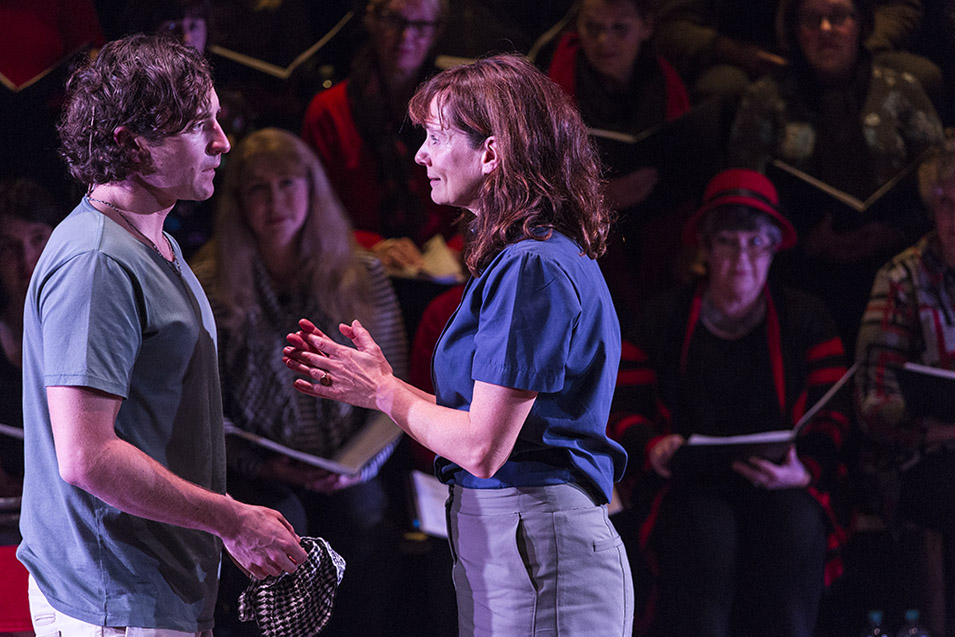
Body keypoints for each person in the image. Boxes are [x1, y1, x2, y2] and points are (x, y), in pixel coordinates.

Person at [285, 54, 633, 635]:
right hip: (510, 540)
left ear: (491, 154)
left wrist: (384, 391)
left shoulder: (533, 266)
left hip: (540, 545)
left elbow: (482, 447)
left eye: (437, 137)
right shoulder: (521, 260)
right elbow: (480, 430)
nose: (420, 155)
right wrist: (378, 387)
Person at [16, 34, 306, 636]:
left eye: (218, 120)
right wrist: (230, 520)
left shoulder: (156, 241)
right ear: (130, 143)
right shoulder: (96, 261)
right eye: (199, 126)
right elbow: (87, 457)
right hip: (113, 600)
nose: (223, 142)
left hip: (155, 589)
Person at [609, 168, 851, 636]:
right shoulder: (663, 317)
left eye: (756, 243)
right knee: (703, 540)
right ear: (705, 247)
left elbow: (835, 411)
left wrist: (805, 470)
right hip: (690, 484)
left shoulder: (806, 317)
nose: (743, 258)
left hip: (781, 479)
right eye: (728, 242)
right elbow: (621, 407)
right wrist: (653, 445)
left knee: (796, 529)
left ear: (774, 248)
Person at [190, 127, 408, 636]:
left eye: (288, 183)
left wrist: (357, 468)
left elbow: (394, 393)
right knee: (281, 525)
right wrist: (262, 464)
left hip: (347, 460)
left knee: (366, 514)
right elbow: (204, 410)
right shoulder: (207, 283)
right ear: (238, 202)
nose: (275, 202)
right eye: (258, 188)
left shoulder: (363, 272)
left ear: (313, 188)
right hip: (256, 466)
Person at [728, 0, 944, 347]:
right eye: (811, 20)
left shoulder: (901, 90)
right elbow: (743, 199)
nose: (825, 30)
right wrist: (806, 241)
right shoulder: (766, 98)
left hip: (893, 262)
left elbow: (940, 186)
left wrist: (893, 232)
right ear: (794, 30)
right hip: (798, 268)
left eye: (838, 16)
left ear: (861, 24)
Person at [855, 133, 955, 635]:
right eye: (947, 204)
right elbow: (872, 403)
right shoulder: (902, 279)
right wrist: (944, 430)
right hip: (918, 460)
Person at [543, 0, 693, 330]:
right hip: (578, 242)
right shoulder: (553, 81)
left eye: (620, 28)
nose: (604, 42)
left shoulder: (665, 80)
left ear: (647, 27)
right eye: (593, 27)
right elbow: (532, 178)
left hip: (655, 230)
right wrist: (596, 198)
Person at [300, 0, 459, 274]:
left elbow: (480, 204)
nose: (406, 36)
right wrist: (371, 247)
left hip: (445, 272)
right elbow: (312, 216)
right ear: (372, 20)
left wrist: (458, 249)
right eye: (394, 20)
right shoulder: (328, 110)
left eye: (421, 25)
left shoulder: (457, 111)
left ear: (436, 32)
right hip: (356, 271)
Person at [655, 0, 941, 106]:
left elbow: (901, 6)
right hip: (751, 61)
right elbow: (672, 26)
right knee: (721, 90)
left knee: (922, 76)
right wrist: (737, 53)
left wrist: (856, 40)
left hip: (852, 47)